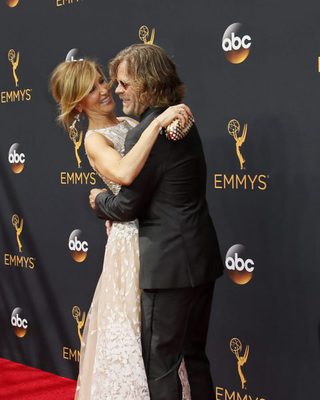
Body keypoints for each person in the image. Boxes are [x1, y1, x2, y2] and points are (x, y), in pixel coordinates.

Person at [49, 58, 192, 400]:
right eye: (92, 88)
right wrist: (158, 123)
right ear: (77, 103)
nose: (104, 90)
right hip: (130, 247)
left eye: (102, 81)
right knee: (133, 331)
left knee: (160, 337)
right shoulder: (94, 141)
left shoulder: (131, 120)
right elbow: (126, 174)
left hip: (159, 237)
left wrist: (175, 118)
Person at [89, 43, 223, 400]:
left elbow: (127, 206)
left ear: (148, 83)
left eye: (123, 83)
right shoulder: (182, 120)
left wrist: (98, 200)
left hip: (168, 268)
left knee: (160, 365)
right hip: (202, 256)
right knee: (195, 357)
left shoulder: (147, 133)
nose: (116, 91)